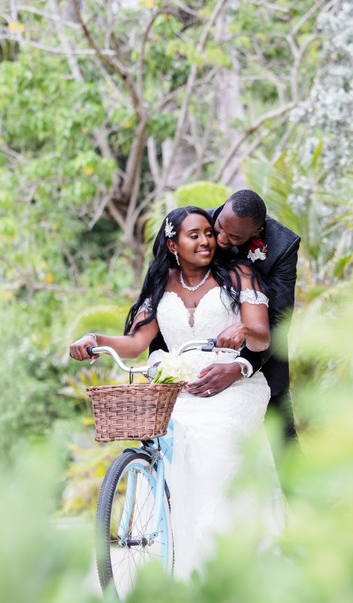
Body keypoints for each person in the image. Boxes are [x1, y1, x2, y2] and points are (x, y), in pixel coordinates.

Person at [69, 207, 284, 581]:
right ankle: (182, 552)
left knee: (215, 438)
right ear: (173, 245)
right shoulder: (162, 284)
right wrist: (95, 339)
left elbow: (263, 334)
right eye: (194, 235)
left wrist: (243, 332)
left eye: (207, 233)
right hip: (180, 386)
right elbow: (136, 342)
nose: (206, 241)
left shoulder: (239, 274)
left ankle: (230, 556)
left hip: (233, 384)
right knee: (171, 433)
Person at [150, 189, 301, 441]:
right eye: (218, 228)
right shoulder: (192, 227)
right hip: (189, 363)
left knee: (283, 448)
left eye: (233, 237)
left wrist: (240, 367)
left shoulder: (282, 248)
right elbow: (160, 294)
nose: (219, 239)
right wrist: (160, 362)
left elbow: (278, 319)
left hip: (261, 359)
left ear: (256, 232)